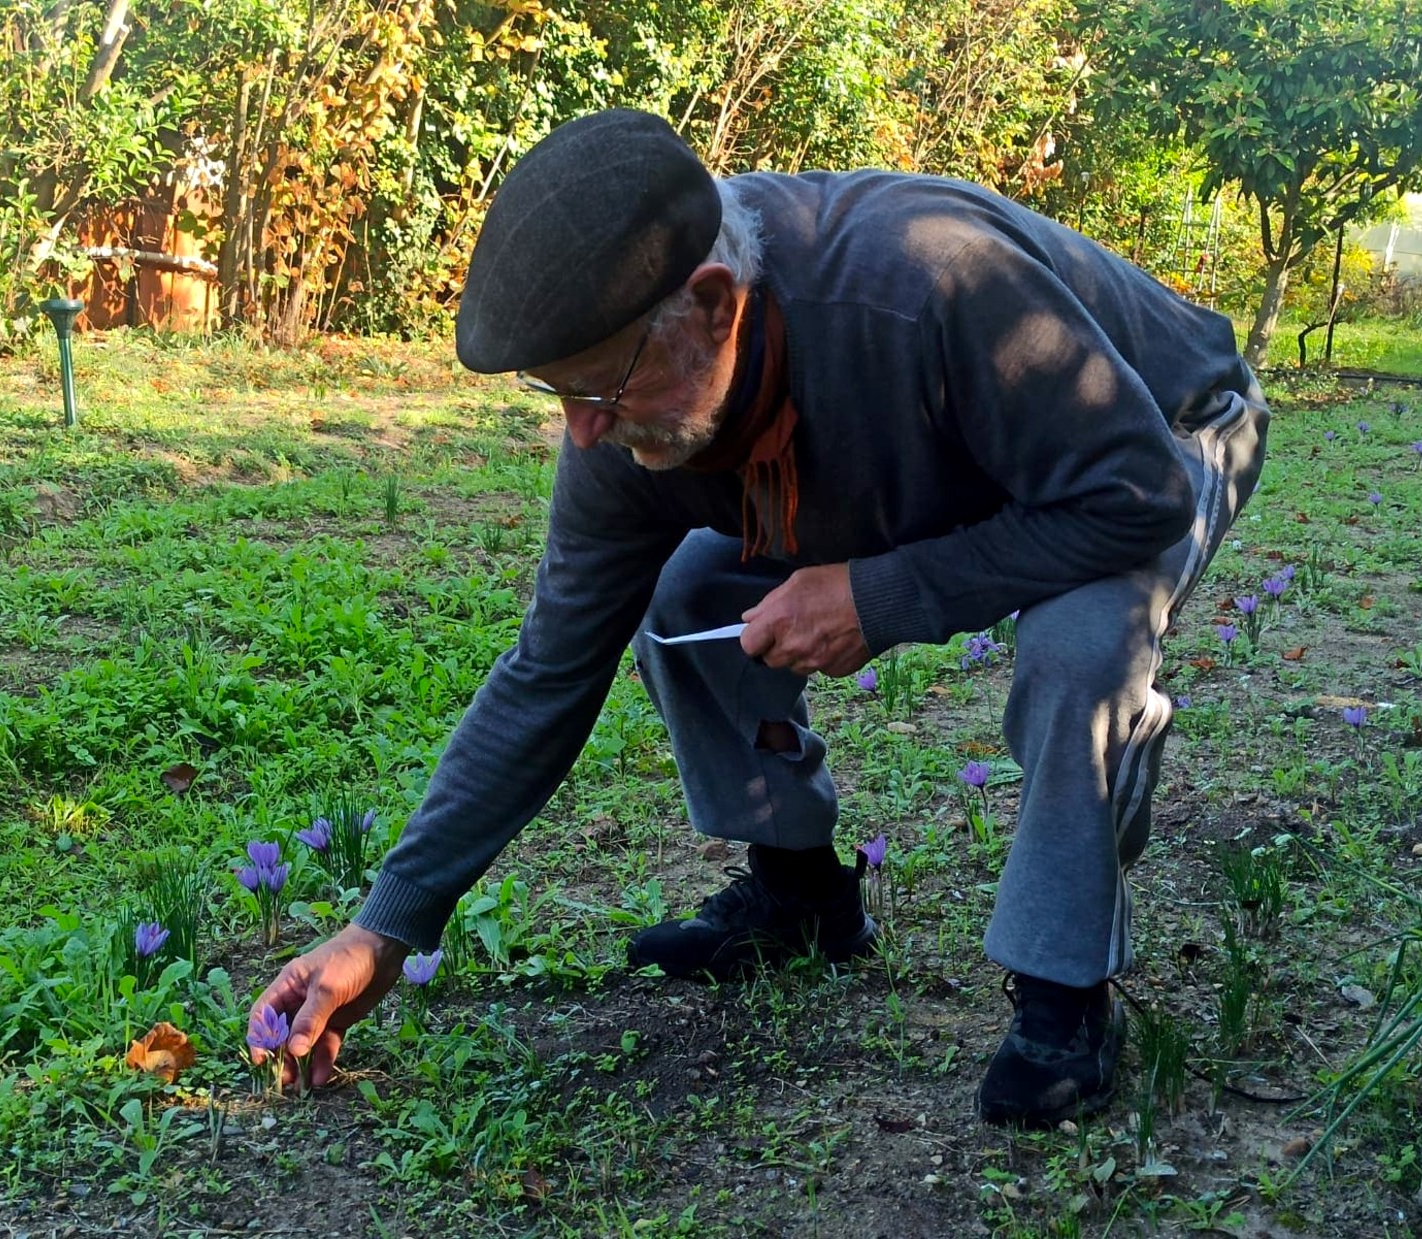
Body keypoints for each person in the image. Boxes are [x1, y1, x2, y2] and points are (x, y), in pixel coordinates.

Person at [248, 108, 1268, 1127]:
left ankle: (1064, 997)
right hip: (960, 468)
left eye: (600, 383)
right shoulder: (630, 419)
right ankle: (800, 902)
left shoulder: (928, 289)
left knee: (1080, 647)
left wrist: (880, 593)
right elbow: (550, 668)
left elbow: (1136, 499)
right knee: (688, 601)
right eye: (554, 391)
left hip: (1150, 434)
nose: (583, 429)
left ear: (713, 303)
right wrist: (385, 926)